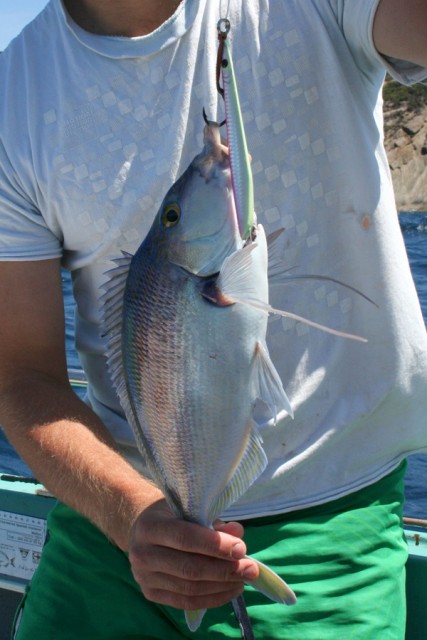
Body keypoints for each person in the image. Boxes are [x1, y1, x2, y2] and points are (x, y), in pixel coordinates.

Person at [0, 1, 426, 638]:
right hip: (116, 517)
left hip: (334, 520)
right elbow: (21, 375)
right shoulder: (14, 94)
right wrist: (137, 516)